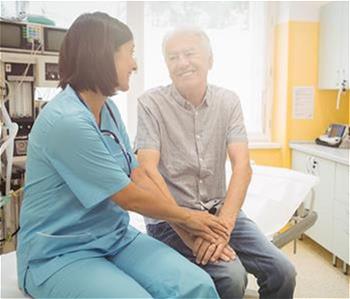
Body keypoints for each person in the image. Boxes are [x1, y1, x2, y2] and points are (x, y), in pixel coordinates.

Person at [16, 14, 228, 299]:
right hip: (59, 252)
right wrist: (189, 218)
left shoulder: (109, 110)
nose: (135, 64)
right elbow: (127, 196)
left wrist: (183, 228)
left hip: (115, 238)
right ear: (102, 57)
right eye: (129, 53)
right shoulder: (67, 121)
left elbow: (137, 173)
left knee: (197, 286)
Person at [134, 27, 297, 299]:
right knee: (232, 277)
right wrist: (188, 232)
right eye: (173, 57)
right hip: (170, 217)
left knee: (282, 271)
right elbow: (147, 172)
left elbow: (242, 167)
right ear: (166, 66)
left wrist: (223, 228)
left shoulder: (228, 101)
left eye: (189, 53)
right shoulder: (150, 103)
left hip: (219, 213)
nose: (182, 62)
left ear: (210, 60)